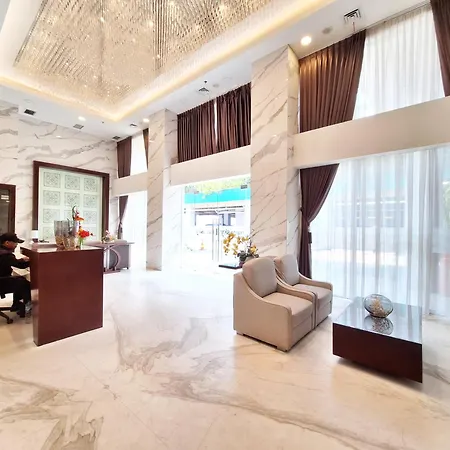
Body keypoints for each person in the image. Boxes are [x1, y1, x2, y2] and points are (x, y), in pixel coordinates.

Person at [0, 233, 30, 318]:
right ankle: (26, 308)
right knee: (24, 283)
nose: (16, 245)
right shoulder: (5, 255)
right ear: (7, 243)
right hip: (1, 282)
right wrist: (32, 261)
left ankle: (16, 306)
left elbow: (12, 262)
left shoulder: (2, 252)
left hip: (2, 279)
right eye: (15, 242)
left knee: (18, 280)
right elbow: (20, 265)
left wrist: (22, 260)